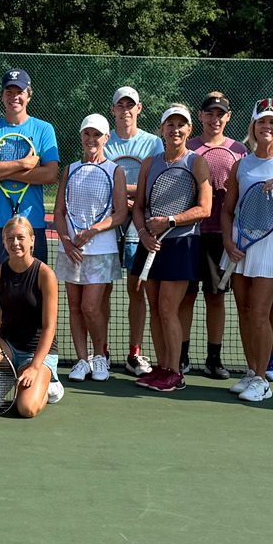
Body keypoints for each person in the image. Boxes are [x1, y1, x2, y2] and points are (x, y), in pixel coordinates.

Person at [222, 98, 273, 404]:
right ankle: (251, 371)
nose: (267, 127)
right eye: (262, 122)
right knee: (244, 312)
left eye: (272, 122)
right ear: (253, 127)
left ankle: (262, 378)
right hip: (241, 246)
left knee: (260, 313)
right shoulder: (240, 164)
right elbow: (228, 210)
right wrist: (228, 242)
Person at [134, 105, 212, 393]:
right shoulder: (149, 163)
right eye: (170, 124)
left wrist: (170, 220)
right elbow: (139, 207)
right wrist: (143, 233)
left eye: (181, 125)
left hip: (182, 243)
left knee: (168, 309)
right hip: (151, 243)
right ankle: (162, 367)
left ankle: (176, 372)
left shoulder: (196, 163)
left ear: (189, 130)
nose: (175, 129)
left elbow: (205, 208)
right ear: (161, 129)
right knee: (154, 307)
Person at [0, 216, 63, 415]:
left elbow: (49, 327)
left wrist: (35, 367)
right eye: (9, 238)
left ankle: (49, 385)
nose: (15, 243)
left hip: (37, 352)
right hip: (7, 346)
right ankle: (6, 375)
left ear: (32, 240)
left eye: (20, 237)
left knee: (26, 408)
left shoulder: (45, 275)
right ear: (3, 241)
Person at [180, 90, 244, 380]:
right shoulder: (188, 147)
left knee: (215, 297)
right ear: (200, 116)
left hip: (221, 236)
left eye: (220, 114)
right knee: (186, 297)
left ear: (228, 117)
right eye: (210, 113)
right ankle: (181, 356)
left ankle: (214, 358)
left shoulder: (239, 150)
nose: (215, 119)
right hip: (188, 234)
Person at [0, 68, 60, 275]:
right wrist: (23, 164)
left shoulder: (44, 129)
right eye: (9, 92)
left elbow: (50, 174)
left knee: (31, 289)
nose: (14, 97)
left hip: (32, 224)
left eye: (19, 92)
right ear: (2, 96)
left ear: (28, 95)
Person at [57, 114, 124, 382]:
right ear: (82, 137)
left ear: (106, 138)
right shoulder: (70, 169)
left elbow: (120, 214)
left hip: (101, 250)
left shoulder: (114, 171)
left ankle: (99, 357)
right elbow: (59, 212)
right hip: (70, 250)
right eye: (87, 134)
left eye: (97, 135)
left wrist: (94, 230)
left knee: (91, 307)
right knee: (74, 306)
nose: (91, 139)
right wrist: (66, 240)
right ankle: (82, 360)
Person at [104, 86, 161, 376]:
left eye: (131, 105)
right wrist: (120, 197)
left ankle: (134, 353)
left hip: (141, 221)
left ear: (139, 109)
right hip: (108, 221)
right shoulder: (102, 140)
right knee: (102, 288)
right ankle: (101, 352)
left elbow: (158, 183)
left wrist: (128, 194)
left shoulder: (154, 144)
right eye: (120, 105)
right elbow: (97, 179)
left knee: (136, 288)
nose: (125, 110)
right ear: (113, 109)